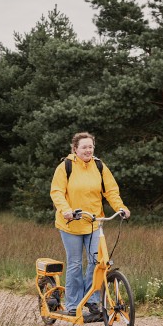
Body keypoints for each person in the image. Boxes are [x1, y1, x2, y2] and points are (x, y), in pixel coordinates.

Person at [50, 132, 130, 316]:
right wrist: (66, 210)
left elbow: (111, 191)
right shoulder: (65, 167)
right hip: (71, 224)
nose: (88, 150)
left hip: (94, 222)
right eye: (84, 147)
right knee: (75, 264)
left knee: (97, 262)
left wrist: (121, 207)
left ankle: (92, 301)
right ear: (75, 149)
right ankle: (72, 304)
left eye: (91, 146)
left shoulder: (100, 166)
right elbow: (57, 192)